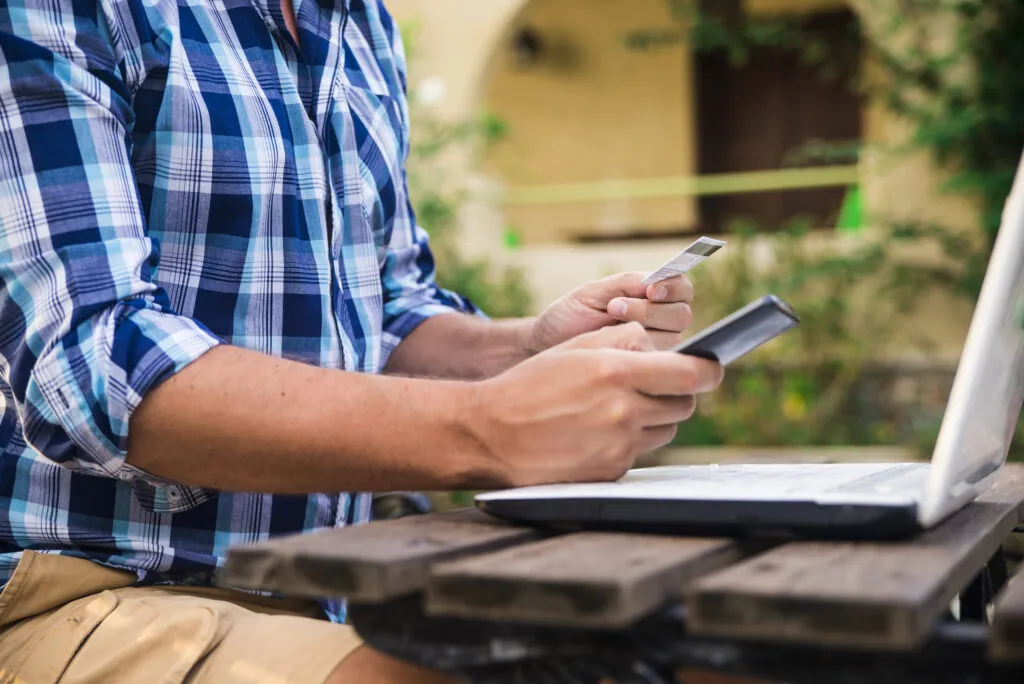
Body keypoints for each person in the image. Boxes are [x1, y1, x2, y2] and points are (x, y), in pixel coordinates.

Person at [0, 0, 723, 682]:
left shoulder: (360, 21)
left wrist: (528, 353)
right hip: (76, 591)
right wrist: (487, 428)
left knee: (702, 658)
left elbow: (385, 315)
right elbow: (93, 367)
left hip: (325, 589)